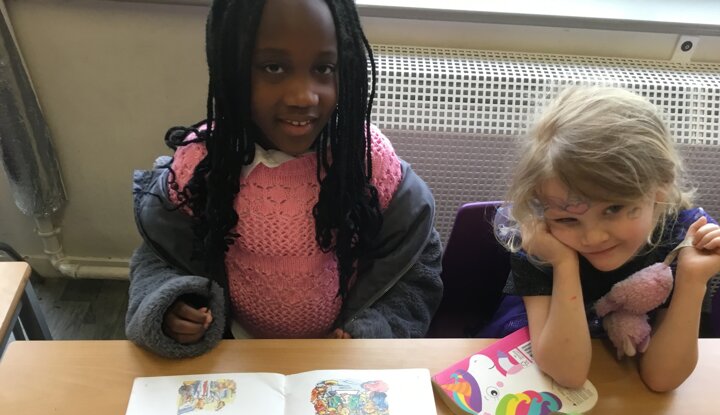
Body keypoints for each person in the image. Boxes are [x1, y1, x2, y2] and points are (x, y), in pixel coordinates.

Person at [126, 0, 443, 358]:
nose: (302, 96)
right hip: (234, 356)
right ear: (231, 66)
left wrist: (373, 329)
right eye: (273, 67)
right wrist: (171, 304)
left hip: (338, 361)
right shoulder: (204, 165)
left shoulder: (367, 163)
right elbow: (160, 256)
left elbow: (415, 267)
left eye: (324, 68)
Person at [484, 86, 720, 392]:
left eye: (613, 209)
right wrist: (564, 264)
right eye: (568, 219)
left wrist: (692, 280)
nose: (593, 237)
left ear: (660, 187)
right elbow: (568, 374)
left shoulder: (684, 241)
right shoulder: (541, 239)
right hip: (530, 371)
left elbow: (662, 379)